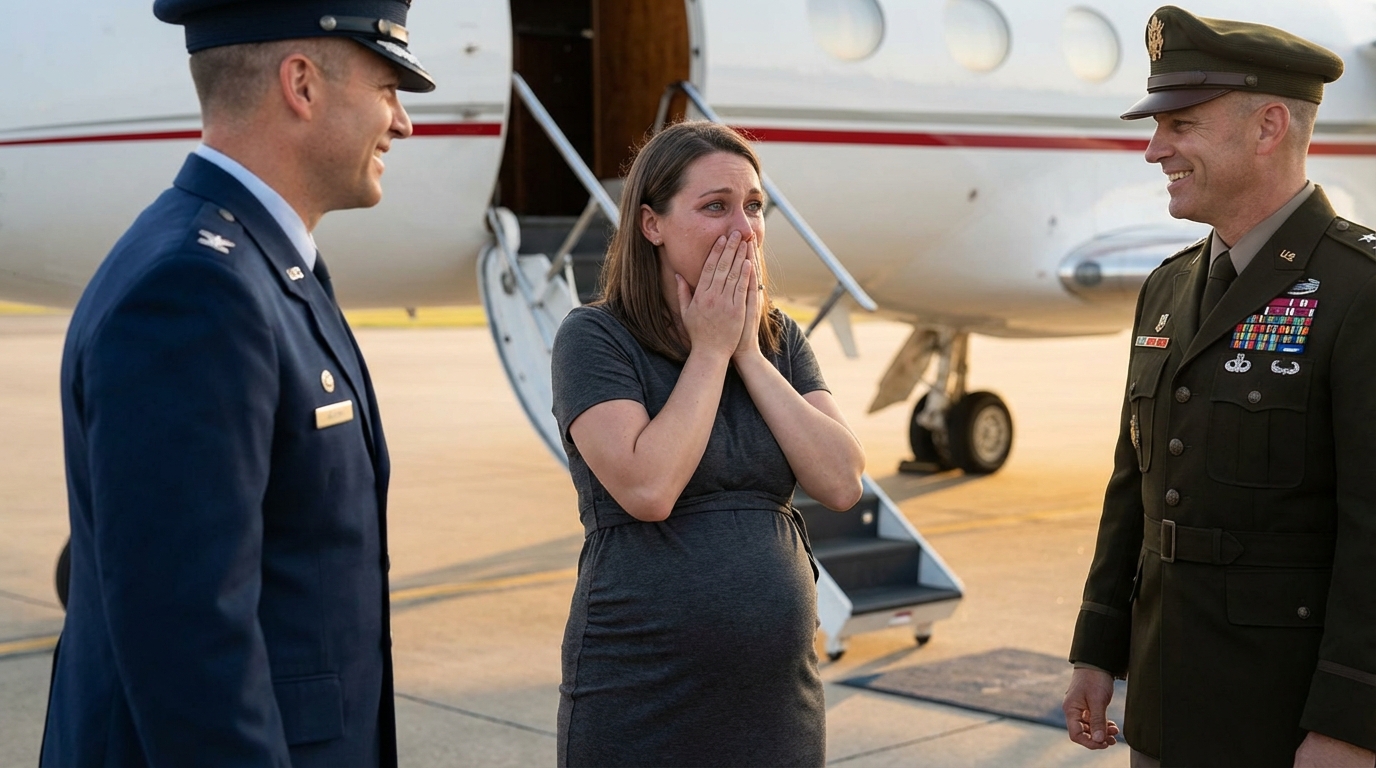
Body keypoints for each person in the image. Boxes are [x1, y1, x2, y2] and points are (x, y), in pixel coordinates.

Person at [40, 1, 433, 765]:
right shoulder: (196, 291)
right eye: (388, 87)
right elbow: (189, 643)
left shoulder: (257, 263)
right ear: (302, 84)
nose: (403, 122)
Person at [1063, 6, 1376, 767]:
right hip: (1166, 711)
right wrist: (1097, 648)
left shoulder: (1358, 291)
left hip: (1285, 723)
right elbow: (1132, 487)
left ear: (1269, 127)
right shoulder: (1168, 288)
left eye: (1181, 126)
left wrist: (1349, 724)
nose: (1153, 150)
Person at [549, 121, 866, 767]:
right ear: (652, 224)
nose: (744, 228)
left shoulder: (779, 341)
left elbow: (840, 481)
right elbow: (647, 487)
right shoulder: (594, 337)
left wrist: (747, 352)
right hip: (641, 691)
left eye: (754, 206)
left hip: (777, 701)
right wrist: (711, 349)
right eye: (715, 206)